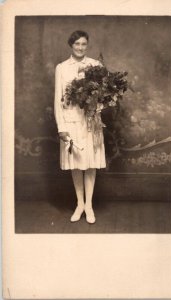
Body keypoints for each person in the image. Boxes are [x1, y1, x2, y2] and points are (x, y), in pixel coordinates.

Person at [54, 30, 106, 224]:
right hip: (71, 121)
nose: (80, 48)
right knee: (76, 164)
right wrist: (61, 127)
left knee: (90, 164)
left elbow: (103, 96)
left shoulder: (96, 65)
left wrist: (97, 107)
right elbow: (58, 99)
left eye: (84, 44)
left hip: (91, 121)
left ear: (87, 45)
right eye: (77, 44)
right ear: (71, 45)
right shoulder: (62, 68)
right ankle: (80, 204)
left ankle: (89, 206)